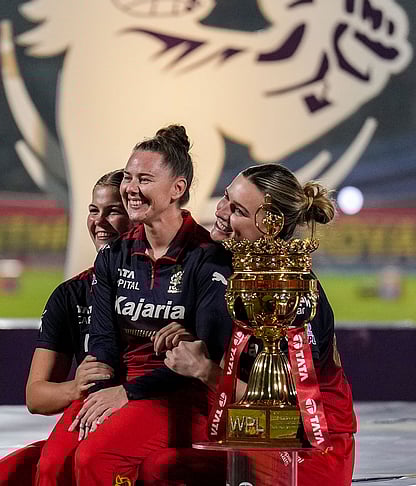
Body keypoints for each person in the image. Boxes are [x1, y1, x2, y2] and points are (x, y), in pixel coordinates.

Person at [145, 164, 356, 486]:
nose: (221, 211)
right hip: (247, 428)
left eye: (239, 210)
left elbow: (294, 412)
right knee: (160, 467)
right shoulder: (226, 263)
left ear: (271, 224)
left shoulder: (292, 293)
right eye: (226, 198)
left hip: (309, 444)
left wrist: (204, 370)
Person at [57, 125, 234, 486]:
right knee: (53, 466)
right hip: (120, 389)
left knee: (96, 458)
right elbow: (104, 339)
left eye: (145, 179)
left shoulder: (208, 258)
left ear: (177, 189)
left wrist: (127, 394)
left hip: (180, 396)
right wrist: (101, 389)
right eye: (128, 177)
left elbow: (204, 354)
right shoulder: (113, 255)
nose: (131, 189)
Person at [0, 170, 131, 486]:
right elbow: (36, 395)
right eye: (93, 210)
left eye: (113, 211)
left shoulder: (164, 288)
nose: (99, 222)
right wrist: (76, 387)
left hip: (140, 410)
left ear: (140, 217)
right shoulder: (71, 294)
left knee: (63, 468)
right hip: (88, 414)